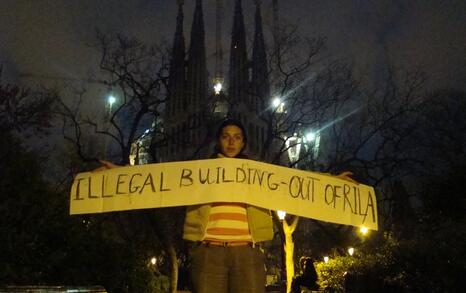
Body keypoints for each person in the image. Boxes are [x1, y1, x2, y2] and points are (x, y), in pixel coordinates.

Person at [183, 118, 274, 293]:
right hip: (209, 252)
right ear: (218, 141)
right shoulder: (200, 171)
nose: (231, 142)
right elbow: (166, 179)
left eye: (237, 137)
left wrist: (329, 180)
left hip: (247, 252)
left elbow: (291, 182)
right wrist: (124, 172)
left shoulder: (258, 173)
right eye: (226, 136)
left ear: (243, 143)